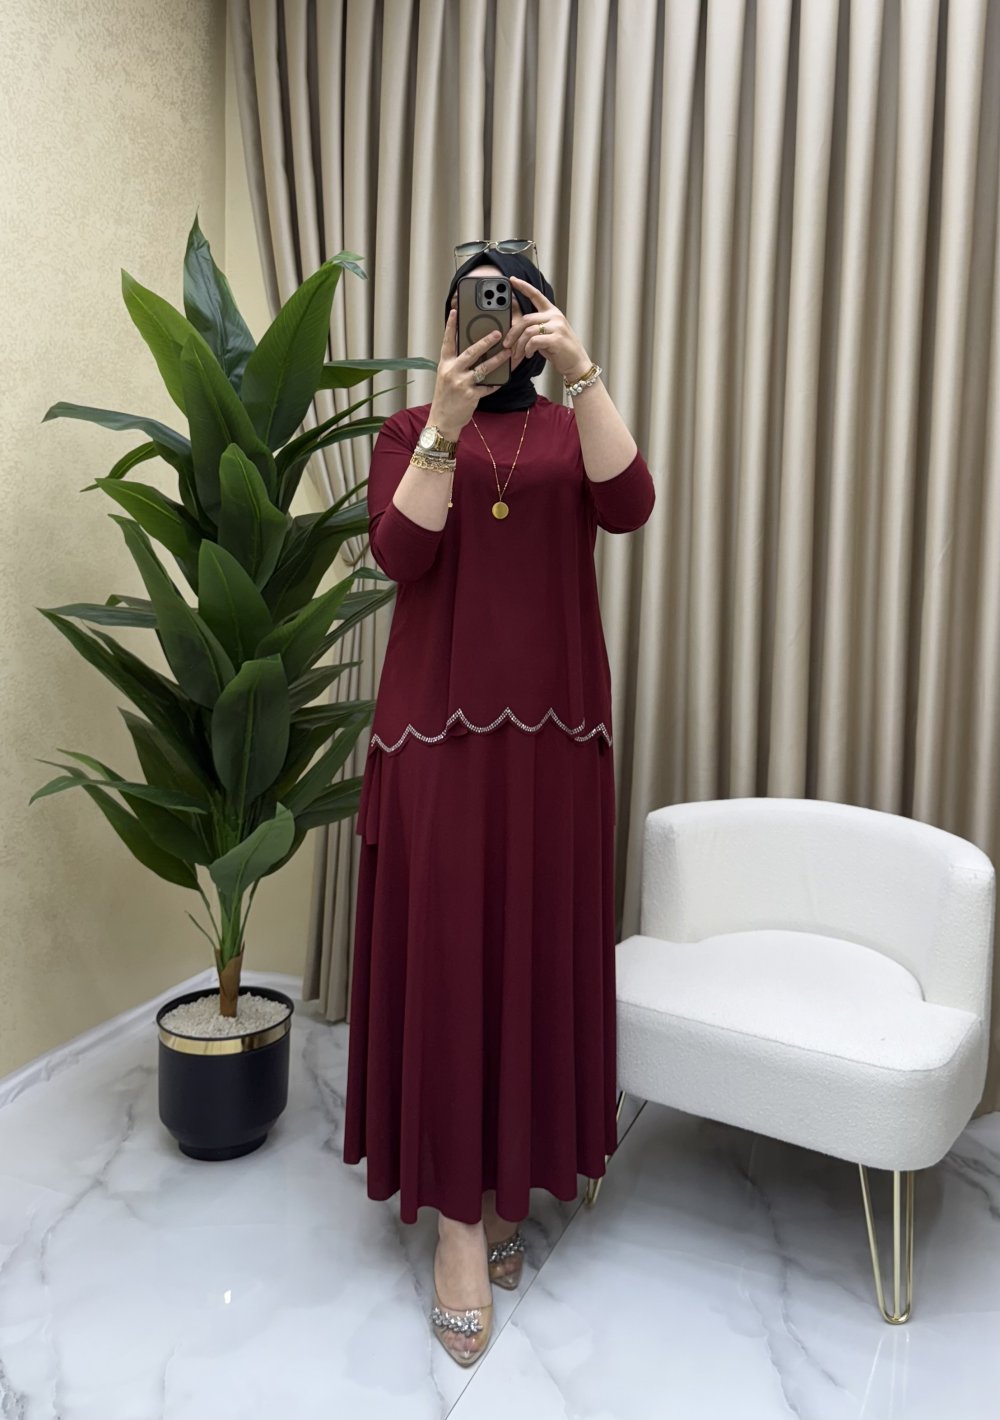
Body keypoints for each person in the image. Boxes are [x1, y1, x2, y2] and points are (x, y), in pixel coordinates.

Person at [342, 243, 655, 1365]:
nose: (496, 319)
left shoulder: (572, 429)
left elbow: (631, 504)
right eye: (477, 304)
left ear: (542, 315)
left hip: (556, 743)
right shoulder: (407, 432)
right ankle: (459, 1225)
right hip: (435, 740)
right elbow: (399, 553)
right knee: (449, 963)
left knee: (529, 956)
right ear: (449, 323)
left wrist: (582, 367)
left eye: (515, 302)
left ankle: (510, 1174)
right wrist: (444, 412)